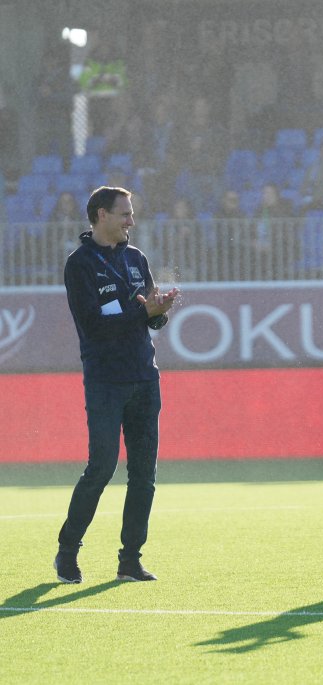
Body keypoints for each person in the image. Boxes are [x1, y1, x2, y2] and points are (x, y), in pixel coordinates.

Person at [54, 186, 180, 583]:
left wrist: (159, 313)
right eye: (124, 214)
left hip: (145, 376)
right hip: (106, 381)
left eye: (131, 214)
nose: (131, 221)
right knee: (102, 467)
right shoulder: (79, 264)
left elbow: (150, 320)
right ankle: (68, 550)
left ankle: (130, 559)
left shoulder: (136, 258)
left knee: (144, 474)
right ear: (100, 215)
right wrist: (141, 314)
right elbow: (93, 326)